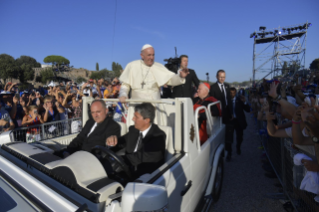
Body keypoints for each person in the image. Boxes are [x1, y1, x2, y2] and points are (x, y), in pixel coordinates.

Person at [106, 103, 166, 178]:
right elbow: (122, 141)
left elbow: (141, 156)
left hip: (145, 177)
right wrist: (113, 140)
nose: (132, 119)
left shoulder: (158, 136)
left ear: (146, 120)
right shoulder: (134, 130)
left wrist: (120, 160)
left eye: (136, 117)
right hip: (127, 171)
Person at [119, 44, 189, 101]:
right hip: (137, 105)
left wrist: (180, 76)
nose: (151, 57)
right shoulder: (132, 66)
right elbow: (125, 85)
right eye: (149, 55)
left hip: (155, 104)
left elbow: (170, 79)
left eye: (153, 55)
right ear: (142, 55)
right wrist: (123, 95)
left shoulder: (159, 66)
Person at [225, 87, 250, 161]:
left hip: (239, 121)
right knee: (229, 138)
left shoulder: (240, 100)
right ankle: (229, 153)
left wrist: (245, 102)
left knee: (240, 137)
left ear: (235, 92)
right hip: (230, 121)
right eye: (230, 93)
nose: (232, 94)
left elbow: (248, 110)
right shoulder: (226, 101)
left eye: (233, 93)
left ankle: (238, 147)